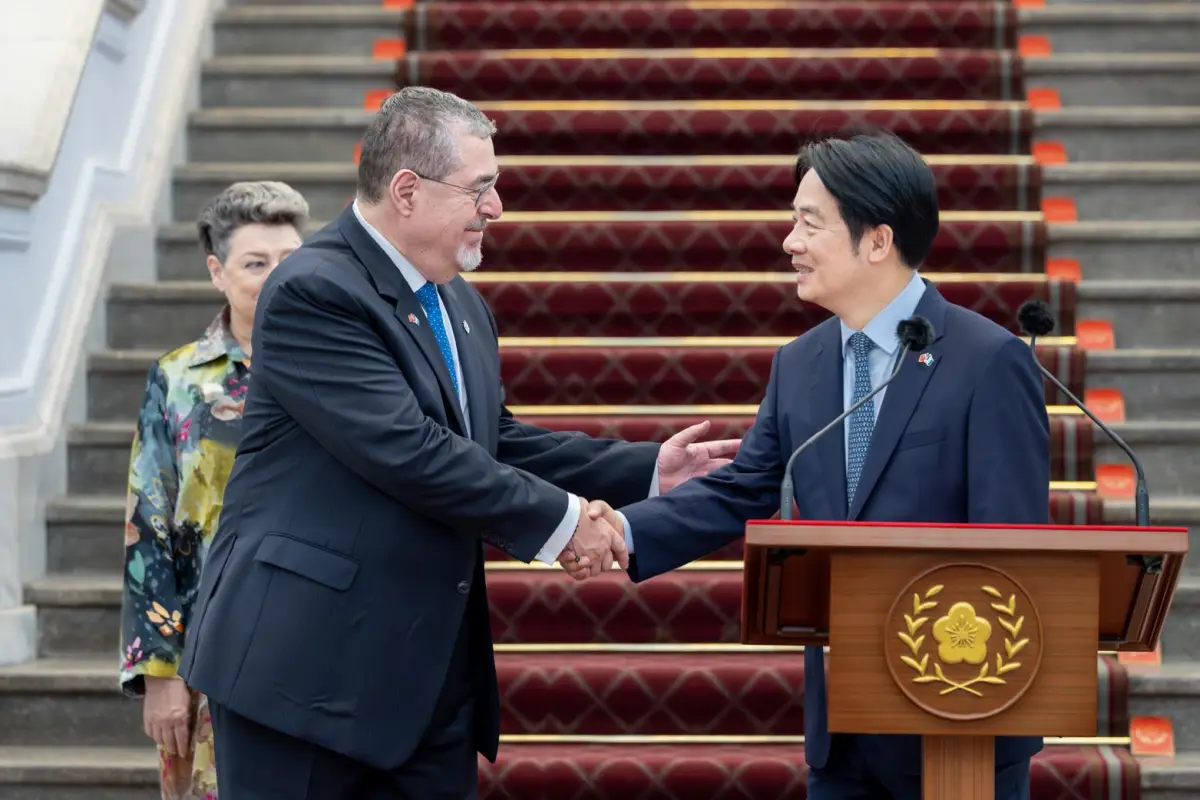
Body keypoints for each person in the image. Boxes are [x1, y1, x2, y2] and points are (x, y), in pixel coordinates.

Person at [176, 86, 737, 799]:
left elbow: (488, 441)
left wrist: (643, 471)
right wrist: (567, 524)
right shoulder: (314, 289)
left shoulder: (459, 302)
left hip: (425, 681)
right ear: (407, 190)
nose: (496, 208)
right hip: (303, 679)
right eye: (482, 188)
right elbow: (409, 450)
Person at [582, 131, 1049, 799]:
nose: (789, 243)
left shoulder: (987, 360)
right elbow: (745, 489)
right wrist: (622, 533)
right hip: (844, 731)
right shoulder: (799, 364)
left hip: (959, 727)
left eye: (809, 223)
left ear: (878, 241)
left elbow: (1016, 552)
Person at [118, 181, 310, 799]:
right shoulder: (177, 379)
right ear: (216, 271)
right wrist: (159, 674)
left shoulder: (344, 365)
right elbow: (148, 527)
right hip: (210, 652)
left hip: (321, 642)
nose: (278, 277)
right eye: (257, 263)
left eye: (291, 260)